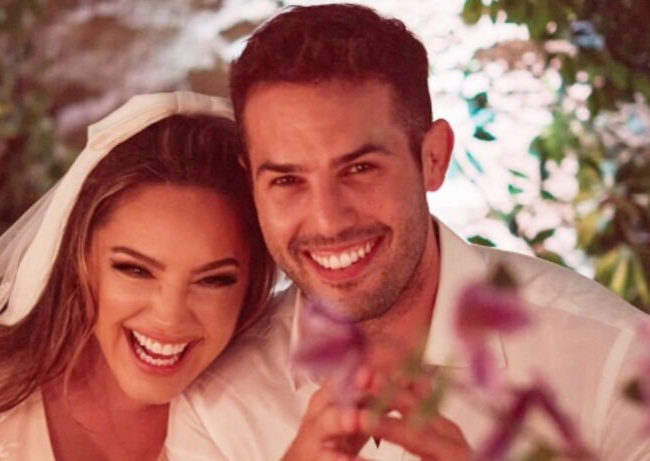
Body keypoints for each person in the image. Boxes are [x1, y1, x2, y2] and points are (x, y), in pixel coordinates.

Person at [165, 4, 650, 461]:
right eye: (287, 180)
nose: (328, 220)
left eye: (360, 168)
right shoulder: (215, 409)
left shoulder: (615, 359)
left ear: (433, 158)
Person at [0, 92, 276, 460]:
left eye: (213, 280)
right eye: (135, 270)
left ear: (252, 284)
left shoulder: (271, 424)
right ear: (81, 258)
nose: (169, 316)